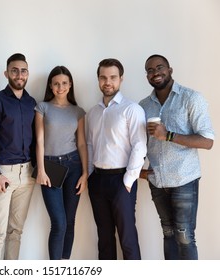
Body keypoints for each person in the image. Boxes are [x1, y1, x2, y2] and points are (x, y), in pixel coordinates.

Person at [139, 54, 215, 260]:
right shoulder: (143, 106)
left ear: (170, 70)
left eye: (159, 67)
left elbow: (207, 141)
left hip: (184, 180)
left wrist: (168, 135)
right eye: (150, 70)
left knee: (184, 236)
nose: (155, 73)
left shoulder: (191, 98)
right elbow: (138, 144)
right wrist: (139, 171)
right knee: (168, 234)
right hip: (158, 181)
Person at [86, 58, 147, 260]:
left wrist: (128, 181)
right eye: (103, 77)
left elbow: (140, 145)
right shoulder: (93, 112)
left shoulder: (132, 109)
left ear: (121, 79)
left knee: (127, 238)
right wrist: (89, 175)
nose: (107, 82)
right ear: (98, 80)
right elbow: (90, 145)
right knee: (104, 239)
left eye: (112, 77)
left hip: (122, 180)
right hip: (98, 180)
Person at [0, 53, 36, 260]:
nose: (19, 75)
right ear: (6, 73)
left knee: (16, 232)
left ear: (27, 74)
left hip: (27, 175)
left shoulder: (32, 103)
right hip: (3, 174)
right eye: (14, 70)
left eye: (23, 71)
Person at [34, 66, 88, 260]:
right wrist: (40, 169)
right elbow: (39, 141)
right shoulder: (42, 108)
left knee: (70, 221)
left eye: (64, 83)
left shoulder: (78, 112)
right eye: (56, 83)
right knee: (59, 222)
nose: (60, 87)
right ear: (51, 85)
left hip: (73, 165)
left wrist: (84, 173)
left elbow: (82, 143)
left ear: (70, 84)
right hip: (49, 166)